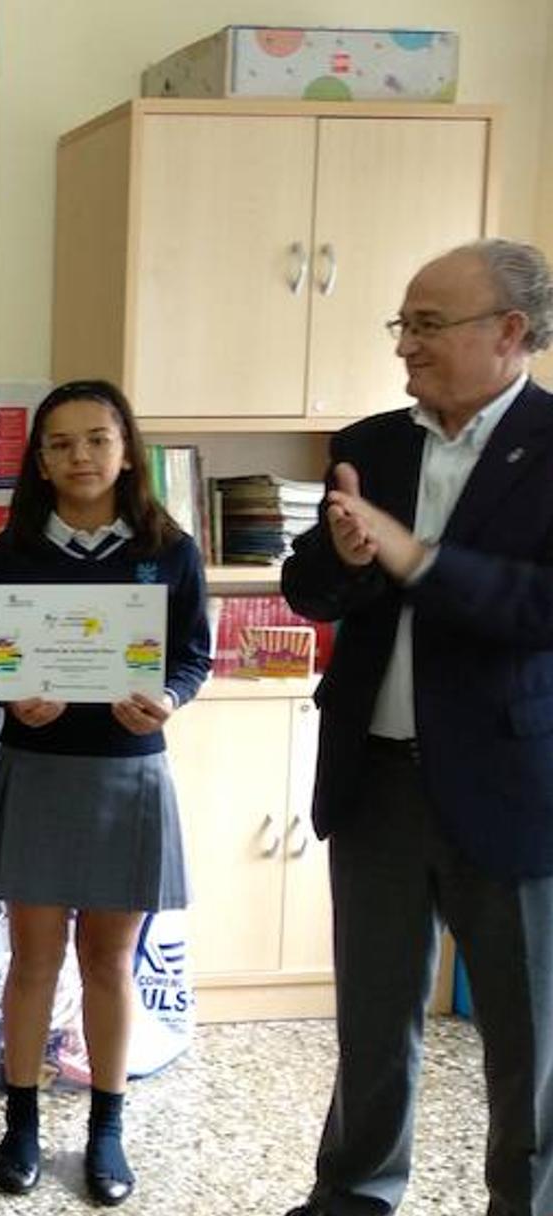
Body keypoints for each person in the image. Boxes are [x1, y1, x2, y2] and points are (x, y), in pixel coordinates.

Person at [280, 239, 552, 1216]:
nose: (408, 346)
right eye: (404, 324)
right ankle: (353, 1193)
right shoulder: (374, 444)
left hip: (512, 785)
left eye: (429, 324)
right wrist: (350, 556)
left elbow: (538, 606)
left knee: (528, 1037)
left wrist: (418, 558)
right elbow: (308, 588)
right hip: (377, 782)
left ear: (508, 333)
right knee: (373, 1019)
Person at [0, 379, 211, 1206]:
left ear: (125, 447)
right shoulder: (10, 553)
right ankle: (21, 1122)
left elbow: (193, 656)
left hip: (126, 774)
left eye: (96, 439)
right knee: (33, 960)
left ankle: (107, 1127)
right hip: (38, 768)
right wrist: (8, 692)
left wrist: (168, 698)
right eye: (61, 443)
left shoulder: (168, 547)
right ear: (39, 460)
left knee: (108, 961)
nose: (80, 456)